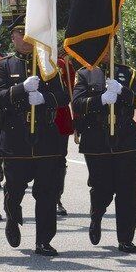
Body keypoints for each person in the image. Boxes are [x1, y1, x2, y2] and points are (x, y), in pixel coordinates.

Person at [0, 16, 69, 256]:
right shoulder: (2, 66)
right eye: (19, 34)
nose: (24, 39)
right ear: (12, 37)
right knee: (14, 190)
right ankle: (12, 218)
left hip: (46, 137)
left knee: (47, 192)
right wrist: (20, 89)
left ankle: (43, 240)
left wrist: (45, 98)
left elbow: (63, 96)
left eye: (28, 33)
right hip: (15, 139)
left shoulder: (48, 65)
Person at [72, 50, 136, 253]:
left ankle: (126, 238)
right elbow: (77, 104)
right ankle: (97, 215)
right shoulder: (85, 74)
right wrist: (100, 100)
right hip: (96, 138)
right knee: (102, 188)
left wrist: (123, 91)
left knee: (128, 191)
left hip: (125, 138)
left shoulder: (128, 72)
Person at [55, 54, 76, 216]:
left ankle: (56, 198)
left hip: (59, 118)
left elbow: (71, 92)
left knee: (59, 159)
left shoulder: (63, 64)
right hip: (31, 120)